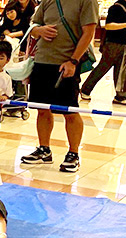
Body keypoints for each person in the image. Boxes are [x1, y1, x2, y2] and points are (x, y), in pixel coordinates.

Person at [20, 0, 98, 173]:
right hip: (42, 60)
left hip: (66, 62)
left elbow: (88, 32)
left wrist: (73, 61)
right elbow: (33, 25)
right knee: (42, 108)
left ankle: (73, 153)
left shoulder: (86, 1)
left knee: (69, 110)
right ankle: (44, 149)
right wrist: (38, 30)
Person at [79, 0, 126, 105]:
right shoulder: (115, 7)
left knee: (123, 70)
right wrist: (125, 25)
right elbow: (108, 26)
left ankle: (121, 96)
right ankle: (85, 89)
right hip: (113, 43)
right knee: (103, 67)